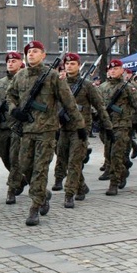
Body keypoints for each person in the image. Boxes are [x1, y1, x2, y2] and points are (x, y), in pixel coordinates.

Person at [7, 40, 85, 227]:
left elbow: (69, 102)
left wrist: (80, 125)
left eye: (35, 51)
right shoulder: (20, 76)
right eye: (29, 52)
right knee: (24, 167)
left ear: (43, 55)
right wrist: (14, 110)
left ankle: (34, 208)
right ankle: (43, 194)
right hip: (26, 130)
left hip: (47, 131)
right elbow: (10, 96)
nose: (31, 55)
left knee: (40, 170)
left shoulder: (52, 77)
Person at [53, 53, 113, 207]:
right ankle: (81, 186)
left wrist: (107, 126)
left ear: (78, 65)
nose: (69, 66)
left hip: (80, 129)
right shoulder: (59, 83)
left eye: (73, 64)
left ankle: (69, 194)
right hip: (63, 128)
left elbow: (99, 106)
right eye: (67, 64)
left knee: (74, 161)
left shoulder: (86, 85)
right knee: (64, 161)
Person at [100, 60, 137, 196]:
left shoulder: (128, 87)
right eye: (111, 69)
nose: (113, 71)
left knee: (116, 155)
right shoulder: (103, 87)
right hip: (107, 125)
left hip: (122, 125)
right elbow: (97, 104)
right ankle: (123, 172)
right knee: (108, 155)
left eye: (116, 68)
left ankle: (113, 184)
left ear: (122, 70)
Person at [0, 52, 26, 204]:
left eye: (14, 61)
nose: (10, 64)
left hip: (18, 126)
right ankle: (21, 179)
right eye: (8, 61)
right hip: (3, 125)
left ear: (21, 63)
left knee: (14, 159)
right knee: (4, 156)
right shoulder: (0, 82)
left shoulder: (26, 80)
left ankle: (11, 189)